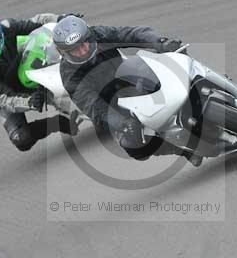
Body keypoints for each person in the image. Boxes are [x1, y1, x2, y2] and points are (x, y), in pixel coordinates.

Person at [53, 15, 201, 165]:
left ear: (88, 36)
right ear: (65, 53)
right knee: (133, 145)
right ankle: (184, 151)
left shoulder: (98, 34)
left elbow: (130, 34)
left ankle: (213, 84)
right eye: (75, 50)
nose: (83, 51)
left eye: (84, 43)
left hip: (129, 77)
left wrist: (159, 43)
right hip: (113, 104)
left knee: (173, 68)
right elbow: (92, 105)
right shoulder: (69, 74)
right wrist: (121, 123)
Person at [0, 10, 79, 151]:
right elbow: (4, 99)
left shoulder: (7, 27)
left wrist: (62, 19)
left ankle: (80, 71)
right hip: (4, 94)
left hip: (21, 66)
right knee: (21, 139)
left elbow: (36, 21)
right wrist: (30, 101)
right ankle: (57, 123)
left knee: (41, 41)